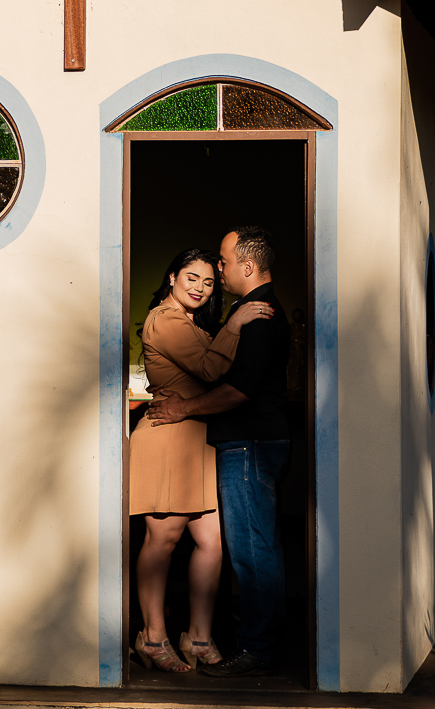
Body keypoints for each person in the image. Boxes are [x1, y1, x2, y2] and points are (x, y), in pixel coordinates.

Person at [147, 226, 291, 677]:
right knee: (218, 544)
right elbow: (218, 370)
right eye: (196, 275)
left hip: (240, 440)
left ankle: (254, 647)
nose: (213, 278)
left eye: (218, 270)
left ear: (246, 266)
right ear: (172, 278)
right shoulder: (181, 319)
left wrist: (184, 407)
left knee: (247, 548)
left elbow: (236, 387)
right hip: (203, 441)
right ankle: (162, 637)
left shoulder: (256, 312)